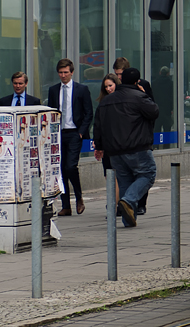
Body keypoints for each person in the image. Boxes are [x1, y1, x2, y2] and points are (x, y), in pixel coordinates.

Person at [94, 67, 159, 228]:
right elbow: (154, 112)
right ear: (137, 81)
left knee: (124, 182)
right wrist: (145, 94)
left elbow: (98, 125)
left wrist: (100, 146)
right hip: (137, 147)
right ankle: (128, 201)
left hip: (114, 151)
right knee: (148, 174)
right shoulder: (138, 96)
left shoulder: (107, 101)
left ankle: (128, 219)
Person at [48, 59, 93, 216]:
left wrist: (81, 131)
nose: (63, 75)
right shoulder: (53, 90)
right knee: (61, 169)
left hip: (75, 132)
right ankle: (66, 205)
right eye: (60, 73)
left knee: (70, 166)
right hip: (60, 133)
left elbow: (89, 112)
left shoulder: (81, 89)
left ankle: (79, 197)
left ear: (72, 72)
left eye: (66, 72)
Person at [113, 57, 153, 213]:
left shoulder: (142, 85)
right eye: (117, 74)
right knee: (128, 175)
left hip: (140, 136)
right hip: (121, 136)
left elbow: (152, 109)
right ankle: (127, 205)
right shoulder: (115, 87)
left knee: (143, 172)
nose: (119, 77)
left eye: (121, 74)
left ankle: (140, 204)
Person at [96, 74, 120, 200]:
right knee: (109, 175)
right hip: (107, 144)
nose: (109, 89)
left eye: (110, 86)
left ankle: (115, 204)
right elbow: (98, 125)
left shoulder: (121, 101)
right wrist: (98, 144)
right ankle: (113, 204)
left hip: (119, 144)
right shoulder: (103, 103)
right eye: (106, 87)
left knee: (117, 175)